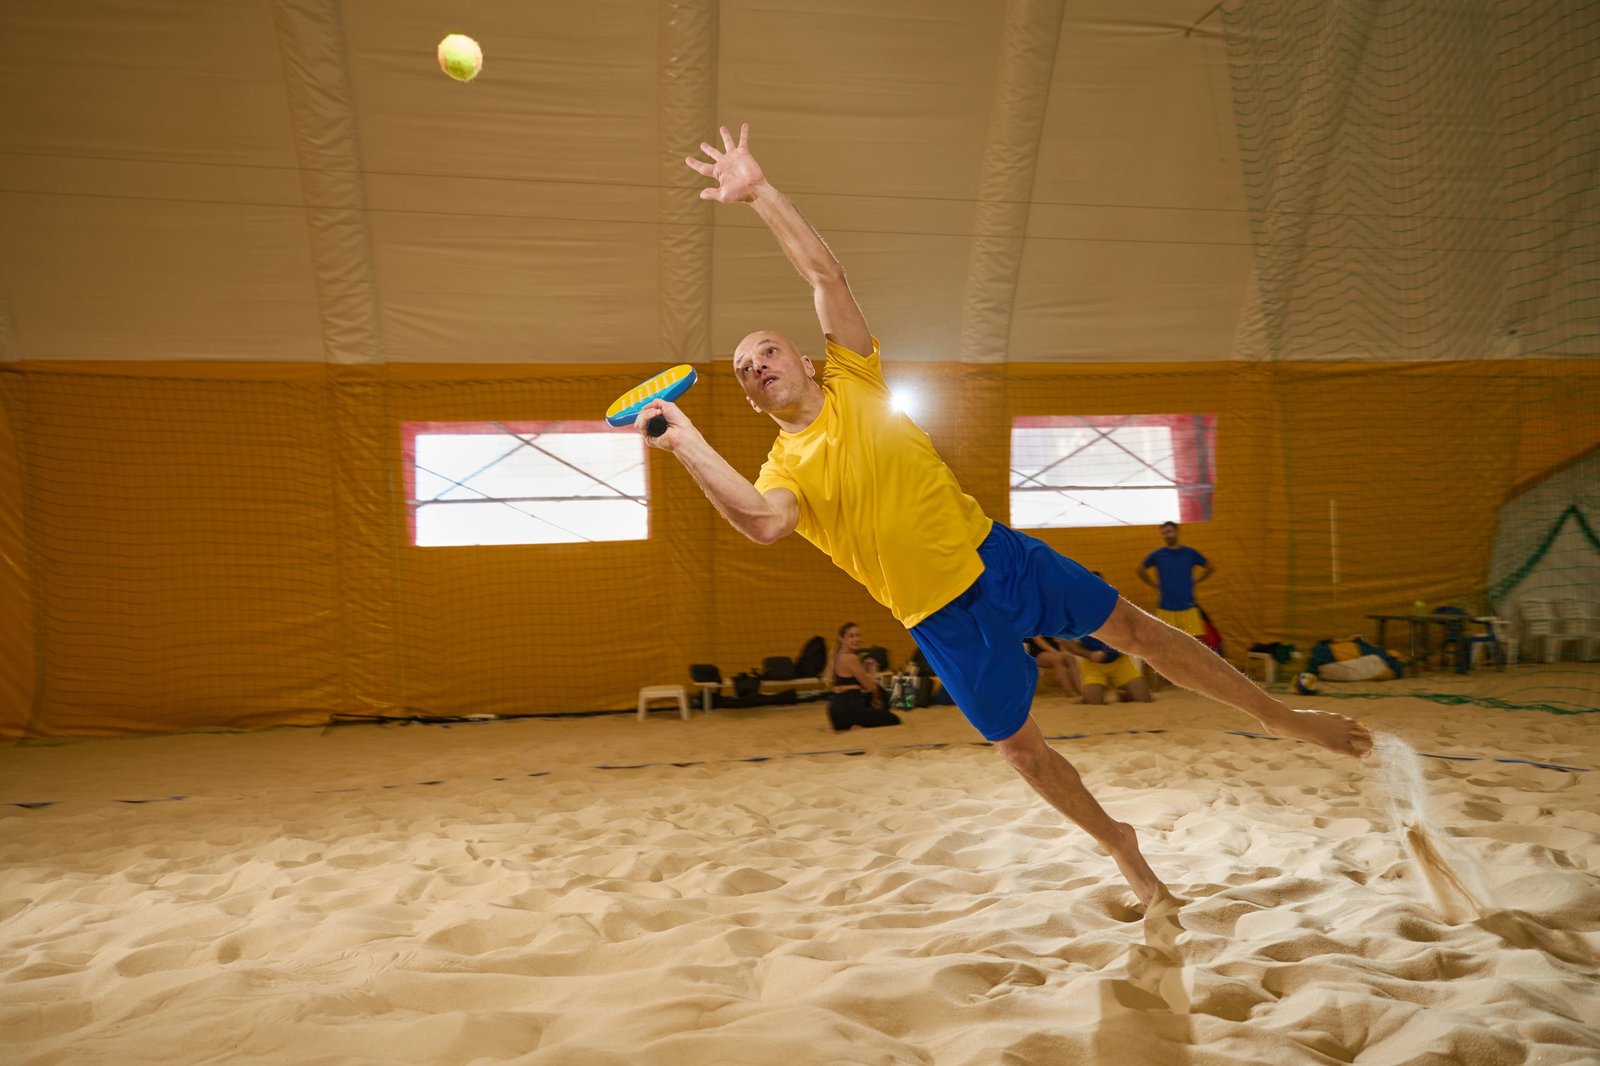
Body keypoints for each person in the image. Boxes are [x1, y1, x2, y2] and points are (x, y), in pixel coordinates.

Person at [641, 123, 1372, 908]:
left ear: (806, 360)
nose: (758, 367)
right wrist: (683, 442)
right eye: (747, 371)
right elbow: (759, 521)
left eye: (769, 352)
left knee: (1137, 630)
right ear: (751, 400)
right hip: (938, 618)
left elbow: (826, 275)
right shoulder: (782, 469)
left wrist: (760, 195)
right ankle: (1123, 848)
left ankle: (1276, 715)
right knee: (1024, 754)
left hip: (997, 558)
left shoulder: (856, 376)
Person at [1138, 522, 1213, 639]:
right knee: (1165, 642)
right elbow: (1140, 570)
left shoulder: (1190, 553)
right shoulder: (1157, 555)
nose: (1167, 535)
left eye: (1169, 531)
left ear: (1177, 531)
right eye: (1164, 533)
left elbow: (1210, 567)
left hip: (1188, 606)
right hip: (1166, 608)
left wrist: (1197, 580)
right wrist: (1153, 585)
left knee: (1197, 642)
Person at [826, 622, 902, 732]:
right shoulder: (851, 658)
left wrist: (862, 671)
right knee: (894, 719)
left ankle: (847, 725)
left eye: (858, 635)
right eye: (851, 636)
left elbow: (843, 684)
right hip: (850, 710)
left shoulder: (837, 657)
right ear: (842, 639)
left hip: (834, 711)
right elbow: (871, 687)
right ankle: (856, 725)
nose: (856, 639)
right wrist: (872, 671)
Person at [1061, 634, 1153, 705]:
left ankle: (1125, 694)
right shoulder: (1077, 616)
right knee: (1095, 703)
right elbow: (1067, 643)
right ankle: (1088, 695)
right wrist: (1089, 654)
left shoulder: (1118, 611)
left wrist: (1126, 647)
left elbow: (1133, 632)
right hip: (1093, 664)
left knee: (1144, 699)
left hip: (1120, 662)